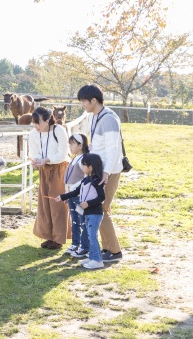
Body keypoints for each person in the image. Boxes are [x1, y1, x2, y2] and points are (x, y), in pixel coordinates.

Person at [77, 84, 124, 263]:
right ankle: (108, 248)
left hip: (109, 171)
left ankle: (114, 251)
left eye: (84, 101)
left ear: (93, 100)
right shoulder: (96, 117)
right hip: (100, 171)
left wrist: (104, 173)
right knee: (101, 209)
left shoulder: (109, 119)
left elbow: (113, 149)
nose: (83, 105)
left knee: (101, 209)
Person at [55, 153, 106, 269]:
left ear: (90, 167)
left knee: (92, 236)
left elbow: (102, 197)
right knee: (89, 235)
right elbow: (76, 192)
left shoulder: (97, 181)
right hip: (87, 213)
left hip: (94, 213)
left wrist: (88, 203)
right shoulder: (85, 180)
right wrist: (63, 196)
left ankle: (98, 260)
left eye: (84, 165)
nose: (82, 167)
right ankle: (92, 257)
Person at [29, 106, 70, 250]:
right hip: (44, 169)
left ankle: (58, 238)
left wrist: (47, 159)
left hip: (59, 168)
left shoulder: (58, 130)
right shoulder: (33, 134)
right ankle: (48, 235)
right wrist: (36, 160)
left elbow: (63, 153)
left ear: (47, 120)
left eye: (38, 122)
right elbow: (33, 152)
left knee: (57, 202)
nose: (35, 125)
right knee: (44, 201)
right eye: (33, 122)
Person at [64, 133, 90, 258]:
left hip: (79, 195)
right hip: (71, 195)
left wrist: (73, 189)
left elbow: (85, 178)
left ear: (80, 145)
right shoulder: (74, 158)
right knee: (74, 220)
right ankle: (76, 243)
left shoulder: (84, 159)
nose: (70, 146)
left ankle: (85, 246)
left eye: (72, 144)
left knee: (82, 221)